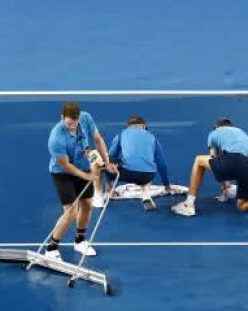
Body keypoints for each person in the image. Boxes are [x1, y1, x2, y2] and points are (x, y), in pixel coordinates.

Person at [45, 102, 113, 260]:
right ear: (62, 117)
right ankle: (51, 248)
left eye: (75, 123)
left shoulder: (86, 118)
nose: (72, 127)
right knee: (71, 212)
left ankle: (80, 241)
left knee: (88, 204)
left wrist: (107, 161)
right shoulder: (56, 138)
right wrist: (87, 176)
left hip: (83, 167)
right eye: (69, 123)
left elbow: (97, 139)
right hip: (63, 173)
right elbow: (66, 165)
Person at [171, 118, 248, 225]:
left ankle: (188, 204)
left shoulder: (214, 133)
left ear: (216, 127)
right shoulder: (242, 132)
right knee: (241, 205)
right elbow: (239, 162)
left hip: (234, 160)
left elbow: (215, 157)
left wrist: (225, 185)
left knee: (199, 160)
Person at [106, 115, 170, 208]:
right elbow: (161, 163)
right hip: (148, 175)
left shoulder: (121, 134)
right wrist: (166, 184)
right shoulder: (152, 137)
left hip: (126, 173)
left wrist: (109, 182)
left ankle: (106, 192)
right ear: (144, 126)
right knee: (148, 170)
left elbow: (110, 158)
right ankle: (146, 195)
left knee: (104, 160)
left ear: (128, 127)